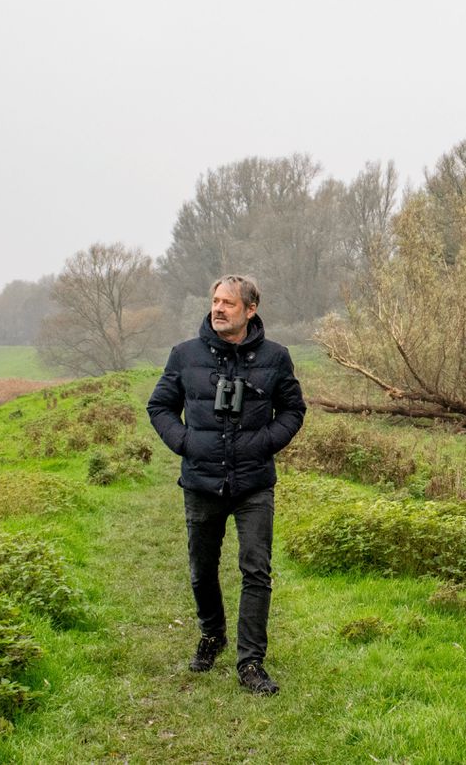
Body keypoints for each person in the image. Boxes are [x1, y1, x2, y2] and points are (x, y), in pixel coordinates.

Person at [147, 274, 305, 695]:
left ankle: (250, 662)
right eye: (215, 301)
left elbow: (293, 410)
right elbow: (159, 405)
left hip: (254, 483)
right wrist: (186, 443)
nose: (218, 309)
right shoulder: (184, 355)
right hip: (201, 480)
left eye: (228, 303)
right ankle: (212, 634)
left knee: (256, 570)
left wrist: (264, 443)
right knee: (202, 569)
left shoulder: (276, 357)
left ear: (250, 310)